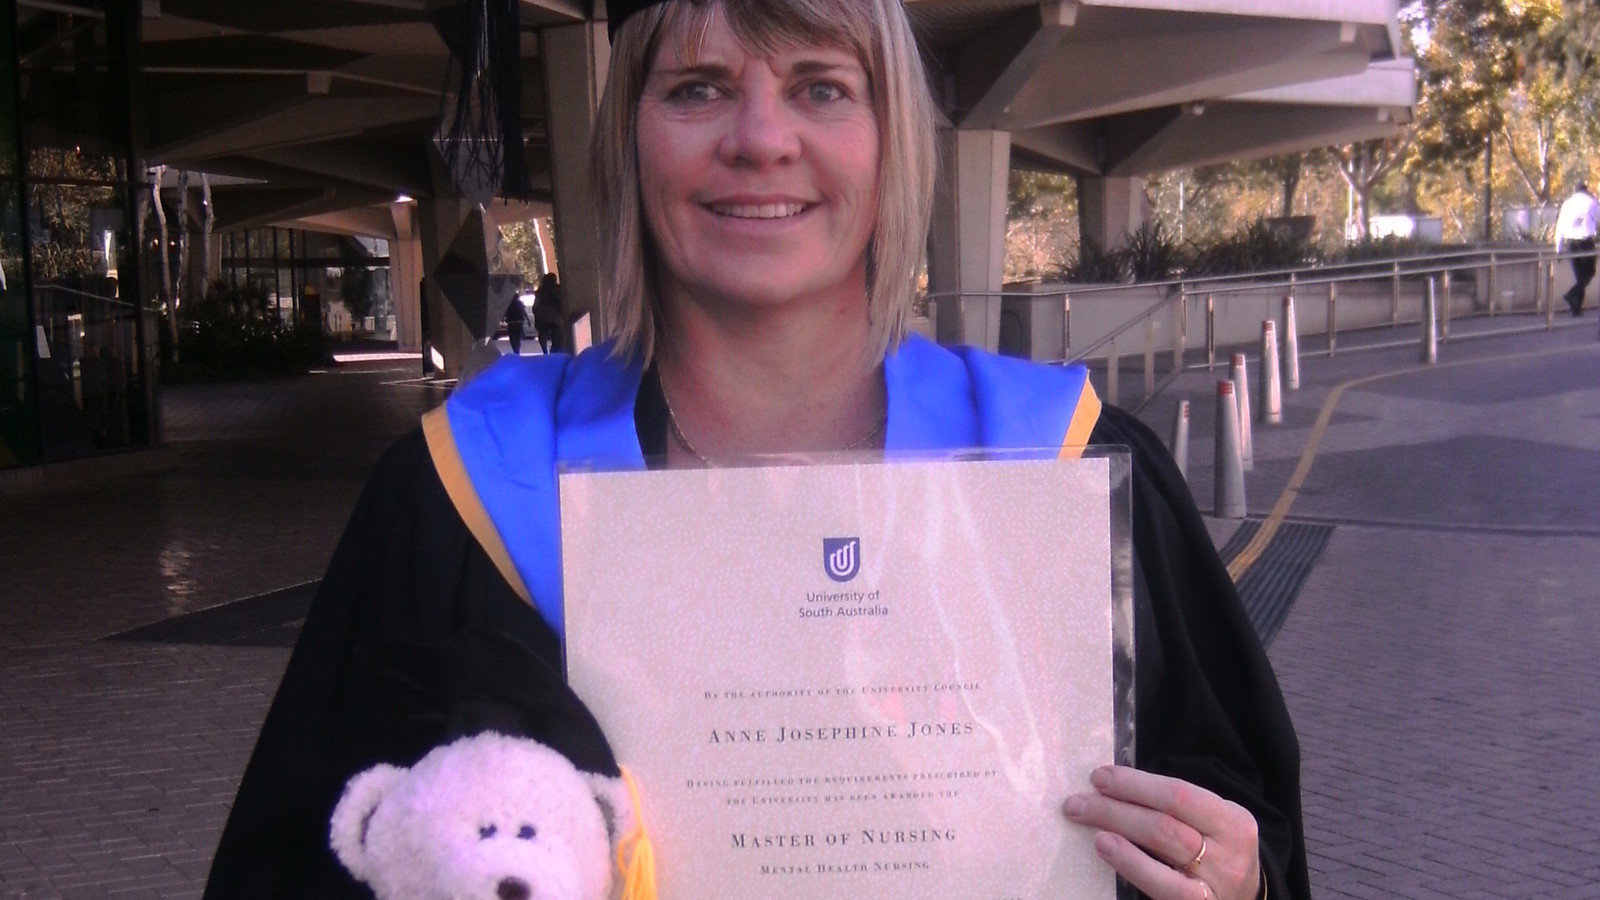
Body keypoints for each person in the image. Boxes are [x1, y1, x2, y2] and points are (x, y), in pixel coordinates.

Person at [204, 2, 1309, 898]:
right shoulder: (468, 492)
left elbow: (1239, 827)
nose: (760, 139)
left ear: (890, 141)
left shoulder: (1062, 468)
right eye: (697, 88)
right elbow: (301, 862)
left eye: (821, 87)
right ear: (629, 139)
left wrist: (1232, 882)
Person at [1554, 181, 1599, 316]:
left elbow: (1560, 226)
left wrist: (1558, 248)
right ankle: (1571, 295)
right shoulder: (1591, 202)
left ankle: (1576, 308)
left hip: (1571, 243)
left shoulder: (1567, 204)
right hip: (1585, 243)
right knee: (1589, 273)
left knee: (1580, 276)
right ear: (1586, 190)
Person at [532, 272, 566, 353]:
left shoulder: (541, 290)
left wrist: (536, 315)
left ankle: (545, 351)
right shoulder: (558, 289)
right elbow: (562, 302)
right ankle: (554, 350)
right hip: (556, 317)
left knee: (543, 333)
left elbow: (535, 306)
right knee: (557, 336)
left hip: (542, 317)